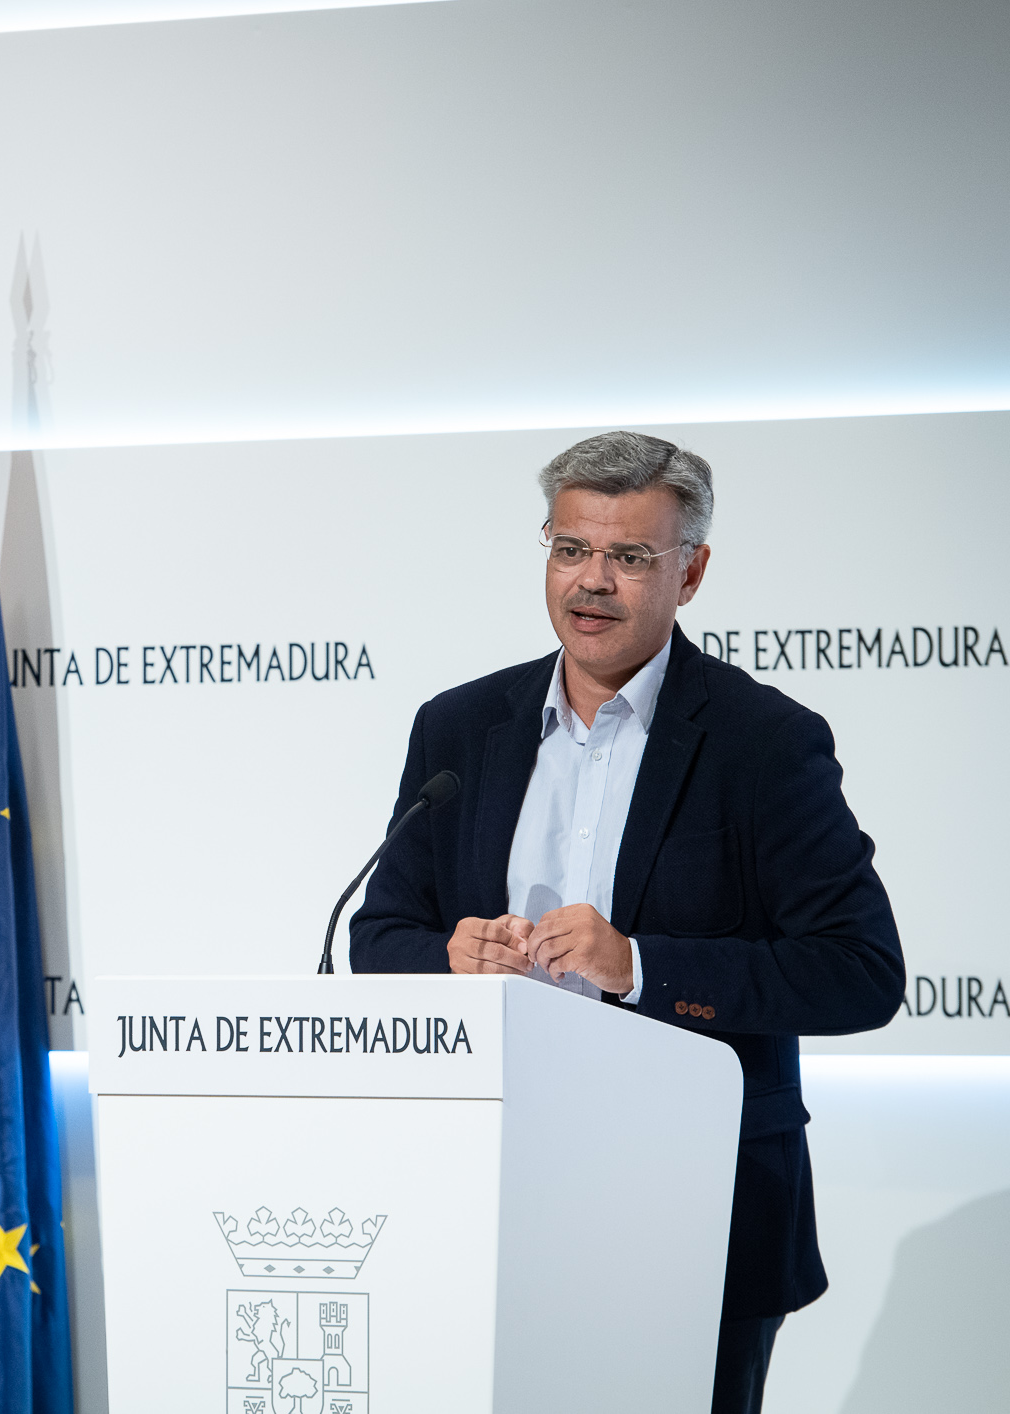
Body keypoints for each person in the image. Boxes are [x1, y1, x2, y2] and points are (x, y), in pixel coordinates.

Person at [348, 430, 904, 1414]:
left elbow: (858, 969)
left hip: (695, 1208)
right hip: (491, 1196)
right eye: (571, 549)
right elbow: (377, 933)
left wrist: (639, 964)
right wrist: (449, 956)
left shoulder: (764, 743)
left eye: (629, 557)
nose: (592, 582)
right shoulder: (459, 728)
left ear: (690, 573)